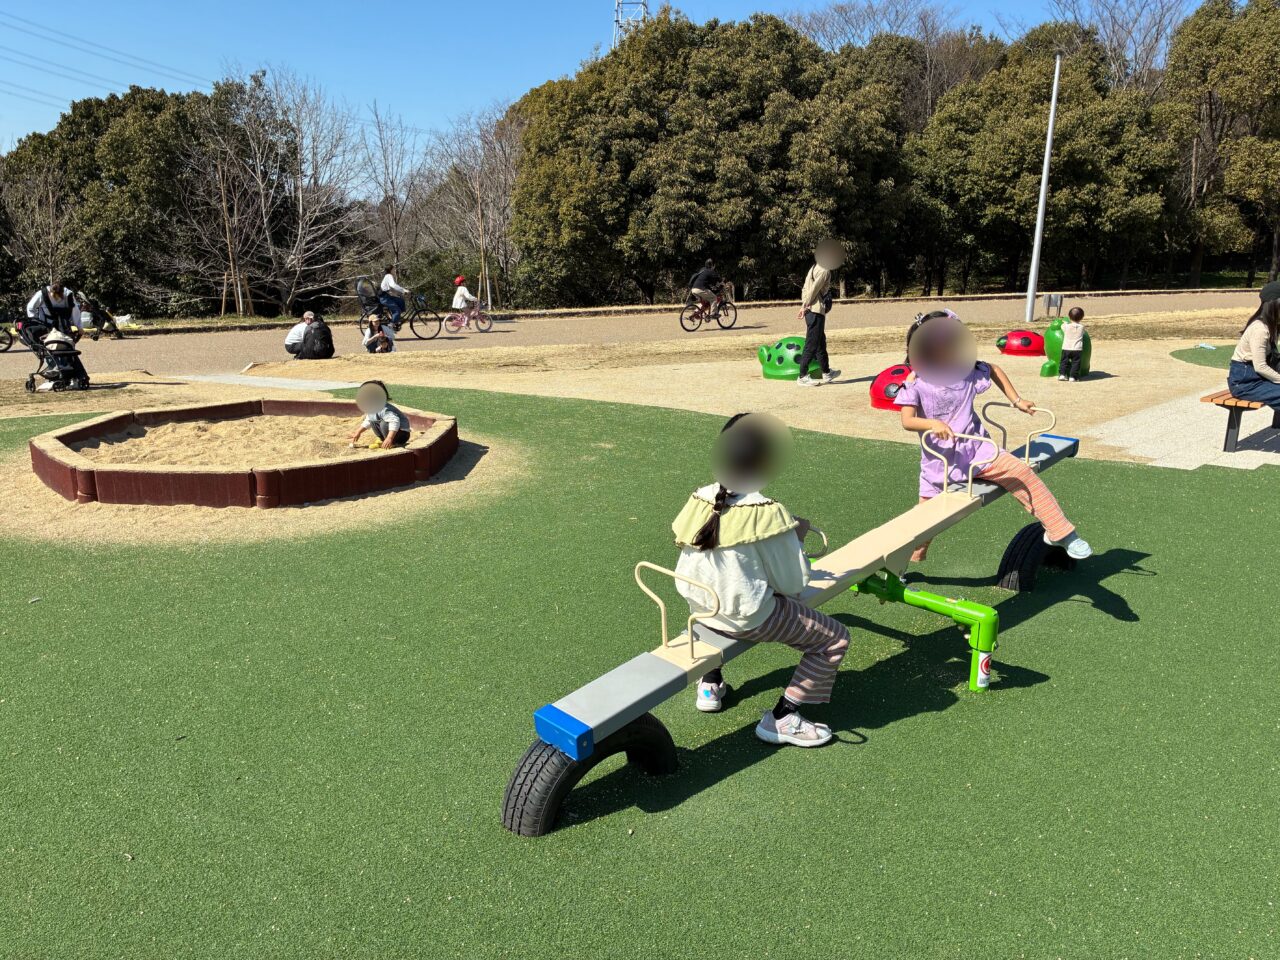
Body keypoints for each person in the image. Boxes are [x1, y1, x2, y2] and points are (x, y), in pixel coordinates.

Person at [671, 412, 851, 748]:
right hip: (748, 618)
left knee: (725, 586)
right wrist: (795, 539)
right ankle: (783, 717)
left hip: (701, 609)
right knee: (835, 639)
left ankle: (710, 682)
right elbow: (793, 583)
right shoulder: (767, 512)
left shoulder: (700, 497)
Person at [894, 309, 1092, 563]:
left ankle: (1062, 533)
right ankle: (901, 565)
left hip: (979, 451)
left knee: (1022, 474)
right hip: (941, 464)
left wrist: (1017, 400)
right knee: (925, 524)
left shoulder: (966, 370)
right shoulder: (916, 381)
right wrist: (932, 423)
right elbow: (907, 420)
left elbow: (994, 370)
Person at [796, 240, 843, 387]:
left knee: (820, 342)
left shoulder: (814, 267)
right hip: (815, 310)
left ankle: (826, 372)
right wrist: (805, 306)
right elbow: (813, 290)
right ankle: (802, 376)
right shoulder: (824, 270)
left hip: (812, 309)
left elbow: (805, 288)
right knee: (812, 343)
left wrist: (804, 304)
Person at [1227, 283, 1280, 409]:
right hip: (1245, 383)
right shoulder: (1260, 329)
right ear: (1275, 305)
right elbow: (1260, 367)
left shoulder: (1273, 325)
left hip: (1260, 378)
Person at [349, 380, 412, 449]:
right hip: (393, 432)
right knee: (372, 421)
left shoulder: (385, 409)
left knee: (384, 423)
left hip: (402, 434)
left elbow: (395, 421)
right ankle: (381, 439)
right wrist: (358, 432)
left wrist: (389, 438)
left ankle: (392, 442)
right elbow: (369, 419)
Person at [1059, 307, 1087, 381]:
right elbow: (1083, 333)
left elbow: (1062, 326)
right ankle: (1073, 377)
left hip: (1066, 348)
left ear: (1069, 317)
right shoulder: (1082, 327)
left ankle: (1062, 375)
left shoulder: (1066, 326)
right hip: (1077, 349)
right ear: (1082, 318)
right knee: (1076, 363)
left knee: (1064, 362)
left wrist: (1065, 322)